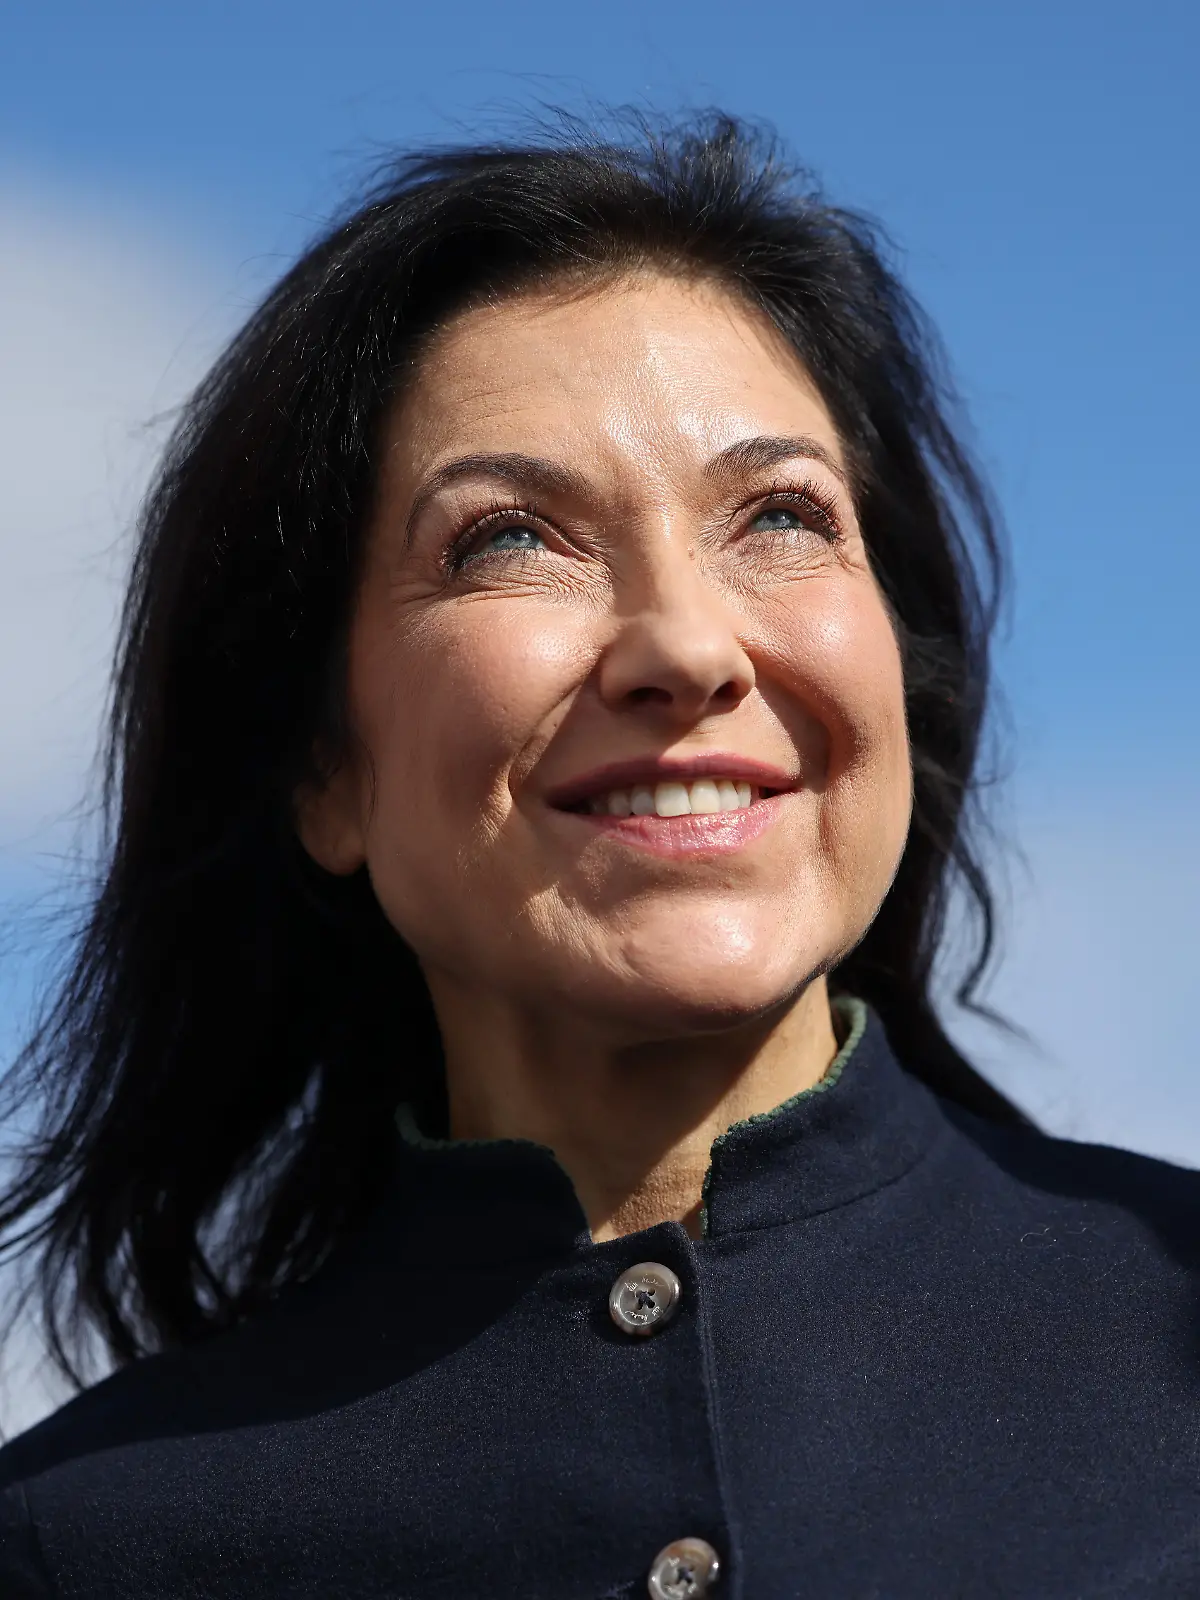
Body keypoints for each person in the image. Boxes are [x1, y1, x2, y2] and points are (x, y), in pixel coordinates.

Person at [0, 113, 1196, 1600]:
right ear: (323, 769)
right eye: (512, 540)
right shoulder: (83, 1545)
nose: (688, 648)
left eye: (780, 516)